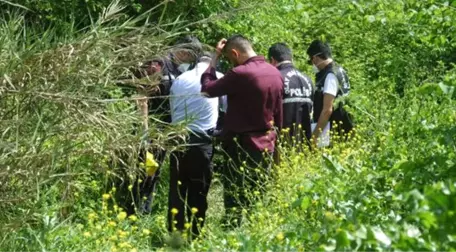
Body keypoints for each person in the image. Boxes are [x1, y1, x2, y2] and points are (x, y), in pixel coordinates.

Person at [200, 35, 283, 227]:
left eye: (230, 58)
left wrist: (215, 57)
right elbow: (279, 113)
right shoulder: (275, 72)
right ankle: (258, 232)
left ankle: (232, 233)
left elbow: (206, 90)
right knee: (258, 192)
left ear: (235, 53)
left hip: (241, 145)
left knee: (235, 195)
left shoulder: (239, 73)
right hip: (266, 142)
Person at [127, 35, 203, 215]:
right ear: (184, 51)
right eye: (191, 57)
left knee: (153, 172)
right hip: (149, 129)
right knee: (143, 172)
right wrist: (144, 134)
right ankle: (133, 212)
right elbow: (141, 98)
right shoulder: (157, 64)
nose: (191, 62)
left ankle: (144, 211)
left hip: (163, 131)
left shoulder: (177, 69)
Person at [168, 52, 222, 237]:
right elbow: (225, 109)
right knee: (199, 189)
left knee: (177, 189)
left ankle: (176, 233)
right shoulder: (219, 78)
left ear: (196, 62)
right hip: (202, 141)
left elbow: (172, 109)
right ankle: (196, 233)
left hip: (178, 139)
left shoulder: (180, 79)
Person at [306, 40, 352, 146]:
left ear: (316, 58)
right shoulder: (340, 70)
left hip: (332, 129)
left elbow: (327, 110)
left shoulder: (330, 75)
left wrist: (314, 136)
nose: (313, 65)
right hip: (344, 126)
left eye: (311, 61)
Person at [268, 42, 313, 145]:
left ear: (272, 60)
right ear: (291, 58)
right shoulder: (308, 79)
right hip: (305, 142)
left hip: (283, 142)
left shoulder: (276, 78)